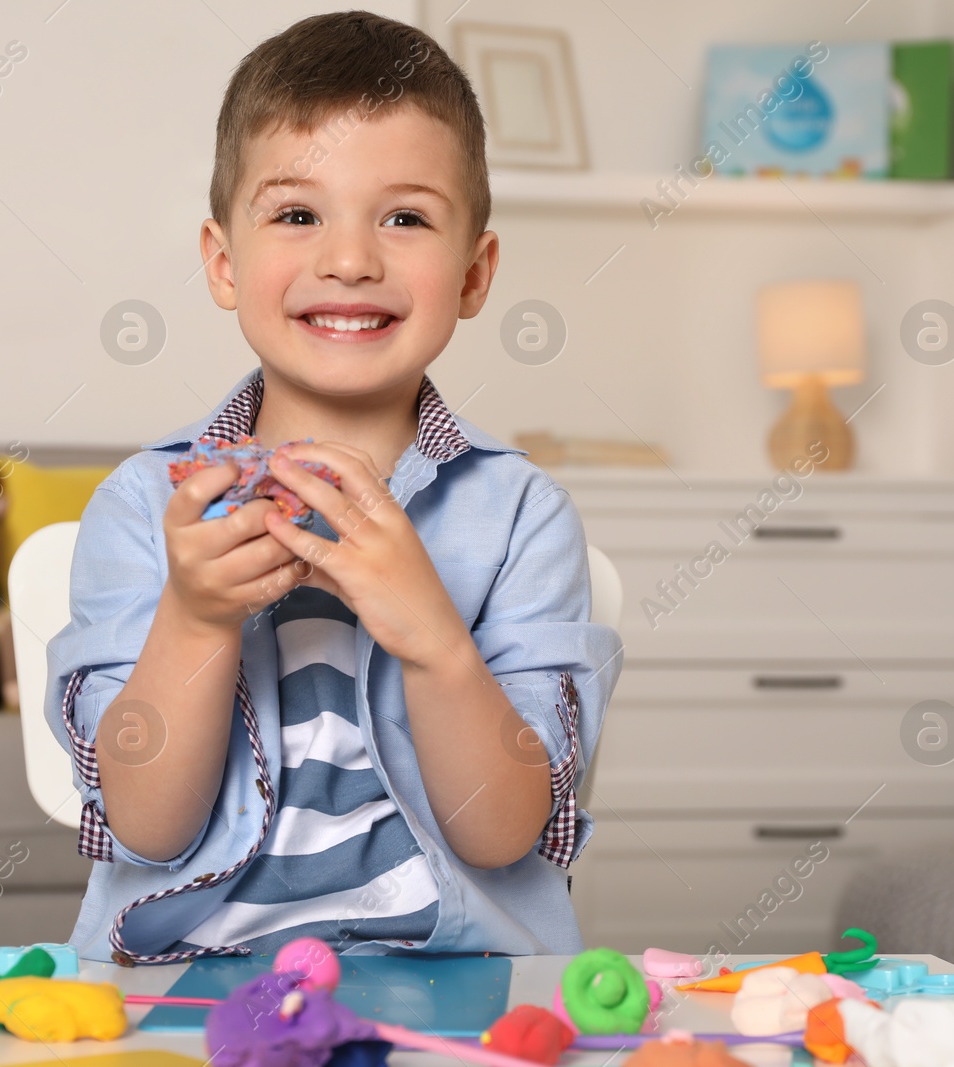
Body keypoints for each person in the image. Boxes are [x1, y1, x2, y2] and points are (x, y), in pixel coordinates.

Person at [45, 9, 622, 965]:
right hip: (190, 984)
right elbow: (147, 827)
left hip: (457, 982)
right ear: (224, 263)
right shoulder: (147, 508)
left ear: (475, 273)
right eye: (298, 214)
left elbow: (503, 834)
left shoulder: (522, 516)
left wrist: (434, 636)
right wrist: (195, 619)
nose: (350, 259)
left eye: (405, 217)